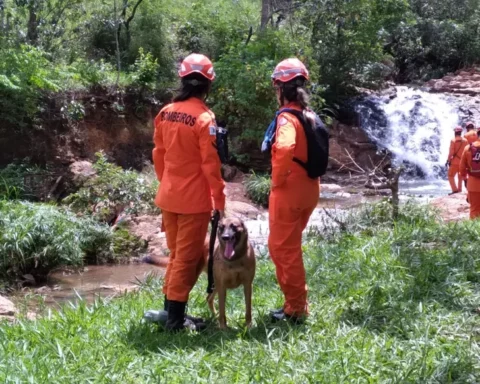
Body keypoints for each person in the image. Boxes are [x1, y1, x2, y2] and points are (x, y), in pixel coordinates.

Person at [151, 53, 226, 332]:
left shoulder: (166, 112)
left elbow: (158, 154)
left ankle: (170, 311)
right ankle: (174, 322)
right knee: (186, 259)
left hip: (168, 197)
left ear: (182, 79)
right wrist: (219, 201)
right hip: (194, 202)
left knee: (175, 255)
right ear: (208, 84)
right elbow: (211, 165)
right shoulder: (205, 118)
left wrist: (166, 182)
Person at [265, 58, 320, 324]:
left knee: (283, 250)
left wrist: (276, 180)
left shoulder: (287, 118)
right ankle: (295, 304)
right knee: (290, 247)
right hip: (310, 188)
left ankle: (296, 308)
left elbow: (285, 148)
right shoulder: (309, 115)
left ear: (281, 88)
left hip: (289, 190)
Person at [460, 127, 480, 219]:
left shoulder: (468, 148)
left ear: (477, 135)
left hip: (473, 184)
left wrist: (464, 179)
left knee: (474, 209)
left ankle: (474, 232)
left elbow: (462, 168)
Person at [446, 126, 467, 195]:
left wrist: (448, 160)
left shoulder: (453, 140)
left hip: (454, 162)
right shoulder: (465, 140)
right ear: (460, 132)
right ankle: (459, 190)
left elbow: (451, 153)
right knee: (460, 177)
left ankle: (455, 190)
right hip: (462, 162)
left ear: (455, 132)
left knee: (450, 176)